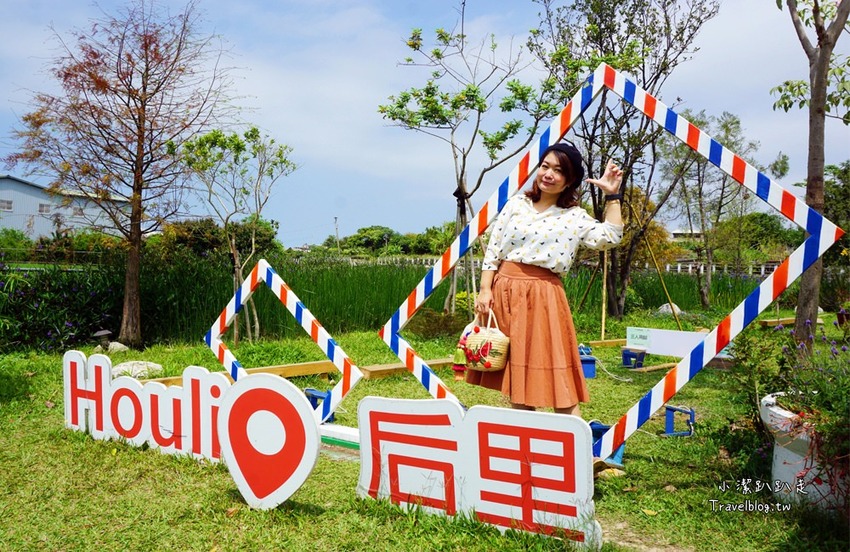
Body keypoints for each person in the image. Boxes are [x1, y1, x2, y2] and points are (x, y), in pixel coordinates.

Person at [466, 142, 623, 417]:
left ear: (570, 180)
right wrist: (484, 290)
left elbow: (610, 236)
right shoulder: (517, 204)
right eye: (545, 166)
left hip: (544, 296)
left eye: (558, 170)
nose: (548, 174)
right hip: (504, 291)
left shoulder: (573, 217)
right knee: (517, 375)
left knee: (555, 368)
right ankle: (528, 445)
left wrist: (612, 196)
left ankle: (574, 445)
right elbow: (494, 249)